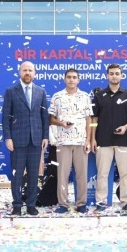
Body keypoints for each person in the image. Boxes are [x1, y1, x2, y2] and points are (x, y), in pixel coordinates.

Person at [2, 61, 49, 216]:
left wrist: (45, 136)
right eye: (24, 70)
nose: (27, 73)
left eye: (30, 70)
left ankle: (31, 205)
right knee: (17, 175)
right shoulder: (10, 91)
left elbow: (44, 116)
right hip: (17, 141)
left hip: (36, 140)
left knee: (34, 175)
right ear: (19, 72)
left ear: (34, 73)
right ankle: (17, 205)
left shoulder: (41, 92)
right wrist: (7, 138)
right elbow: (6, 117)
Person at [90, 63, 127, 212]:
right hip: (103, 140)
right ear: (107, 75)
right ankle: (101, 201)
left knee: (125, 173)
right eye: (111, 73)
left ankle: (125, 201)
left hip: (124, 141)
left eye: (117, 73)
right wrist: (93, 138)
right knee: (102, 173)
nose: (114, 76)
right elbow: (94, 119)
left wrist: (126, 127)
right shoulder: (99, 96)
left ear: (121, 75)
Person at [48, 68, 93, 214]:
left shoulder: (85, 97)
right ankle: (63, 204)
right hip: (62, 142)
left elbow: (89, 119)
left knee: (81, 174)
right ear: (64, 79)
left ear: (78, 80)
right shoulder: (57, 96)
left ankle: (81, 203)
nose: (71, 79)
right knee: (63, 175)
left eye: (74, 77)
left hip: (81, 141)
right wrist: (61, 123)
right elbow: (51, 118)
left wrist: (88, 140)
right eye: (69, 77)